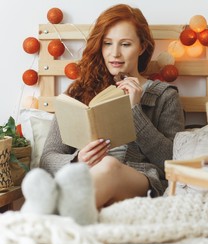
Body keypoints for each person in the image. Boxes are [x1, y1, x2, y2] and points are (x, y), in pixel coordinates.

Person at [21, 4, 185, 225]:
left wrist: (134, 111)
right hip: (84, 177)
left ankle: (44, 220)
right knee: (96, 168)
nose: (114, 53)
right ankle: (65, 211)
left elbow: (173, 161)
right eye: (107, 43)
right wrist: (78, 160)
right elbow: (48, 158)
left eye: (125, 44)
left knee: (108, 165)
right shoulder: (80, 92)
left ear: (142, 47)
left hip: (139, 180)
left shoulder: (165, 96)